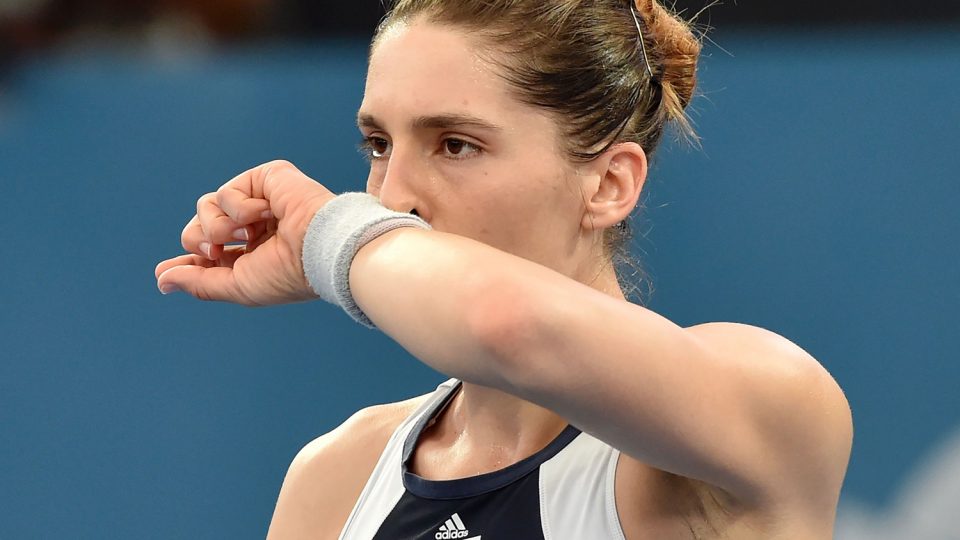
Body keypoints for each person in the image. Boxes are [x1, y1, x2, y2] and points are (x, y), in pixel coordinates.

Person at [154, 0, 854, 538]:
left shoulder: (761, 408)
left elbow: (506, 325)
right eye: (377, 144)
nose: (390, 196)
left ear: (609, 184)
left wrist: (328, 236)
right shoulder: (333, 479)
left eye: (455, 145)